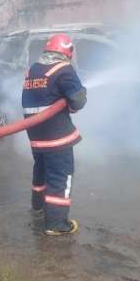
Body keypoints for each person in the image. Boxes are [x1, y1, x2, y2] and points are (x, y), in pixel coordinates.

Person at [21, 33, 86, 236]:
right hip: (57, 138)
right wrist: (79, 95)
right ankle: (56, 223)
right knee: (60, 176)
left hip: (36, 137)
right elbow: (77, 101)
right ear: (67, 51)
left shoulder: (34, 69)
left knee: (40, 171)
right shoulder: (64, 70)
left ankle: (39, 208)